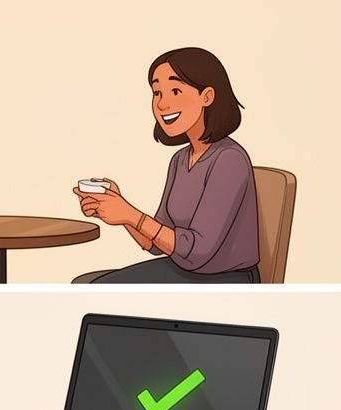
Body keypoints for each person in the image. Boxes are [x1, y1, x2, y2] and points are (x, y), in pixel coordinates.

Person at [73, 47, 260, 283]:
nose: (162, 104)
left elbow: (197, 251)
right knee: (88, 285)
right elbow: (155, 243)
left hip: (227, 279)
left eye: (175, 90)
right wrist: (119, 212)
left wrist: (130, 214)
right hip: (185, 270)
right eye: (157, 92)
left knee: (97, 289)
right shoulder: (180, 160)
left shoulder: (229, 160)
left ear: (207, 96)